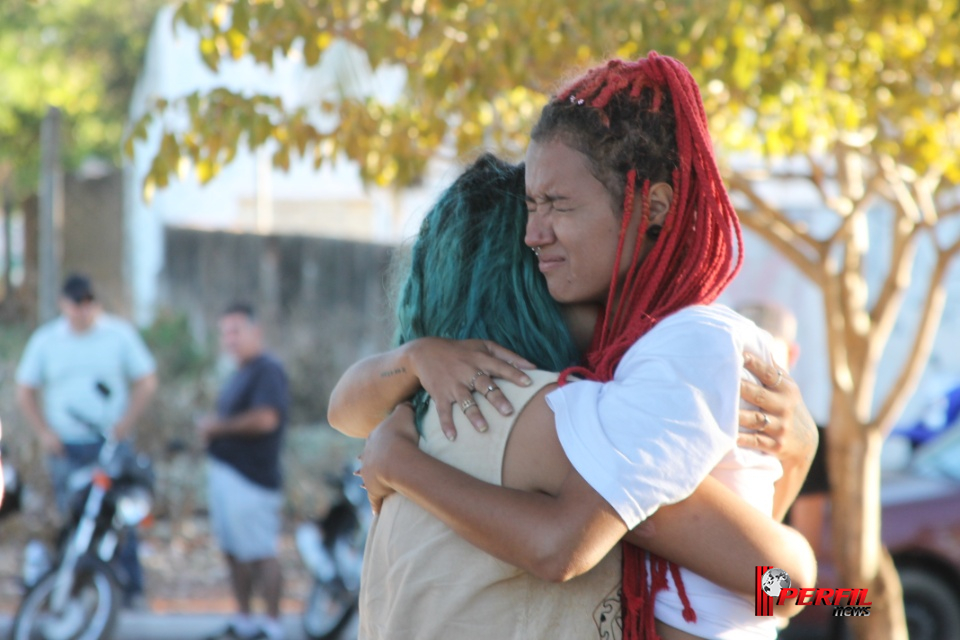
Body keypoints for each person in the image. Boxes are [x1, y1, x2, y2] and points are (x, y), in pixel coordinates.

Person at [337, 53, 819, 640]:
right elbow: (788, 588)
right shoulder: (566, 411)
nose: (535, 235)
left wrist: (399, 449)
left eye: (558, 207)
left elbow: (776, 587)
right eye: (532, 209)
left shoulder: (671, 358)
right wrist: (799, 466)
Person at [16, 273, 157, 608]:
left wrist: (124, 424)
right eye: (75, 303)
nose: (82, 310)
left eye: (88, 302)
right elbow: (25, 390)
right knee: (73, 515)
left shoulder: (118, 335)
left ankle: (129, 589)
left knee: (119, 514)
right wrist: (45, 432)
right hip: (66, 446)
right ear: (63, 304)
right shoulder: (47, 340)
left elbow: (146, 380)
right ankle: (76, 588)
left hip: (109, 443)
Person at [196, 303, 289, 640]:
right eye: (225, 333)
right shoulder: (241, 371)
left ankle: (273, 626)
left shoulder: (268, 370)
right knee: (234, 552)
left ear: (255, 330)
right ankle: (245, 621)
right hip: (227, 475)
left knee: (262, 552)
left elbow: (266, 419)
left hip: (252, 479)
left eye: (236, 330)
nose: (230, 339)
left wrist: (217, 428)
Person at [737, 301, 829, 558]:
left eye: (769, 361)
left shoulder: (809, 436)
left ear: (792, 355)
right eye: (745, 359)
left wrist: (799, 455)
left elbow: (803, 553)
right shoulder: (714, 419)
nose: (755, 374)